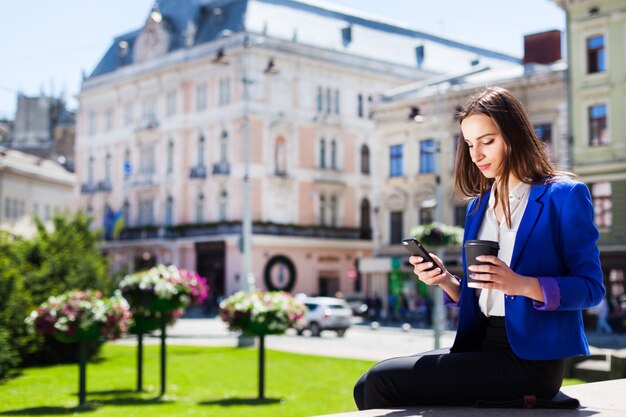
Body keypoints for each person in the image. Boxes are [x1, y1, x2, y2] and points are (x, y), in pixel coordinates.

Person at [353, 86, 605, 409]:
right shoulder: (478, 207)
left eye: (487, 141)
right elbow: (483, 295)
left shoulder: (564, 196)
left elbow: (591, 288)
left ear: (514, 136)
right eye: (470, 144)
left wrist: (521, 284)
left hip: (530, 361)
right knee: (365, 385)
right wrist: (445, 280)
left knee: (381, 382)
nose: (477, 155)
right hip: (479, 344)